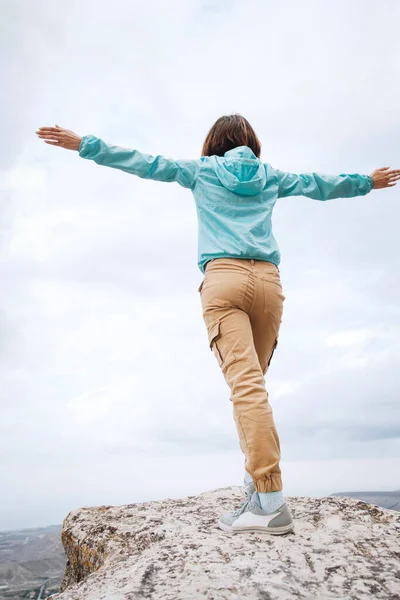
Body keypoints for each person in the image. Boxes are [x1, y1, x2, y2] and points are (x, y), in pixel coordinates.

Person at [36, 115, 399, 535]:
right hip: (268, 282)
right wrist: (366, 182)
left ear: (213, 143)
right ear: (252, 143)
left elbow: (144, 162)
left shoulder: (200, 170)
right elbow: (318, 183)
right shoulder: (270, 176)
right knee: (254, 387)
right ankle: (255, 489)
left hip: (224, 278)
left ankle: (269, 503)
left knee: (246, 389)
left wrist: (84, 144)